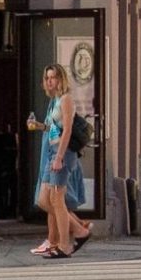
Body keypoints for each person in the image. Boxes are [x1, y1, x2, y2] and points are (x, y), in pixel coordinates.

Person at [32, 64, 90, 257]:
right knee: (44, 200)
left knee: (57, 199)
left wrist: (59, 157)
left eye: (53, 77)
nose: (50, 81)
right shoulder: (54, 101)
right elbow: (53, 129)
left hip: (62, 153)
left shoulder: (66, 100)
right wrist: (39, 126)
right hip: (51, 152)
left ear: (61, 79)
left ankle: (65, 245)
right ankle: (79, 229)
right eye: (47, 78)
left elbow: (67, 130)